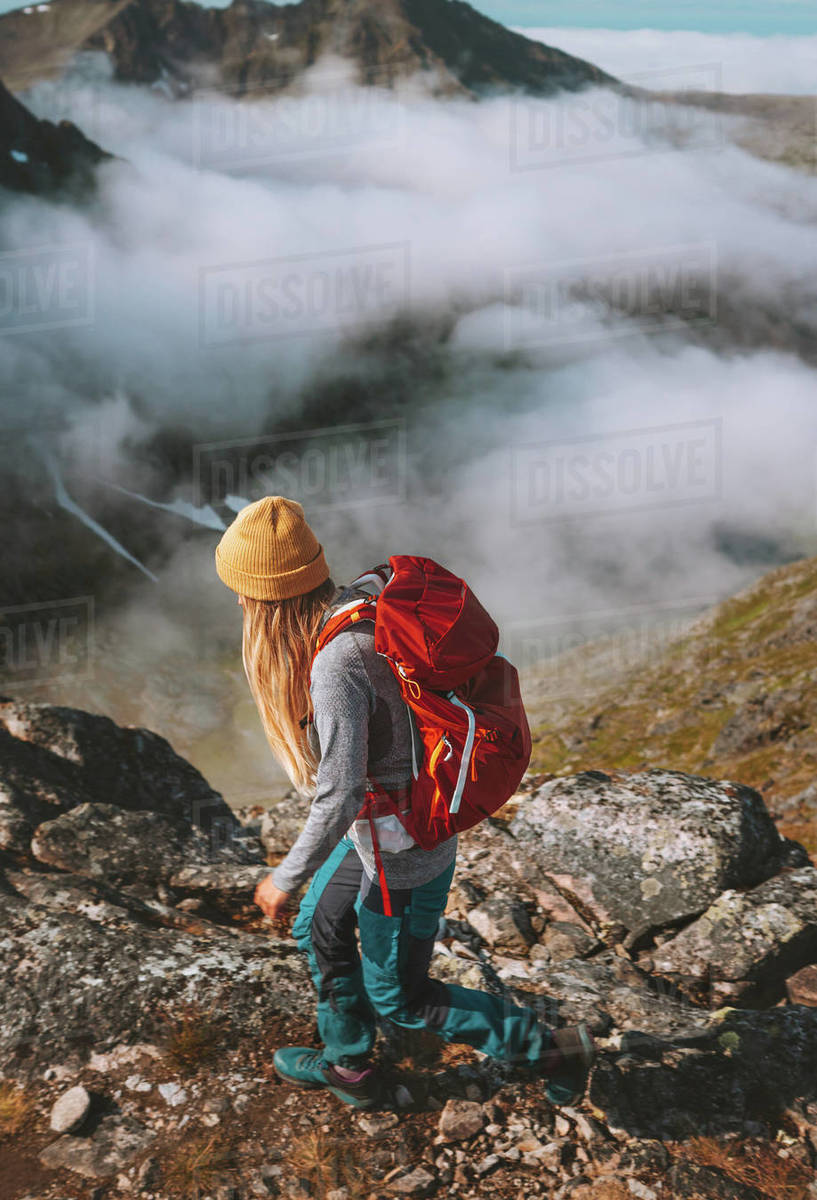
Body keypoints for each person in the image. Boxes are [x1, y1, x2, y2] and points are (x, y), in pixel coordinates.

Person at [214, 495, 595, 1110]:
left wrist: (284, 876)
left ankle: (551, 1048)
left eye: (243, 592)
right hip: (375, 837)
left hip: (403, 858)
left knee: (404, 999)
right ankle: (349, 1066)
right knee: (319, 928)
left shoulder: (337, 664)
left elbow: (338, 794)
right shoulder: (359, 606)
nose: (237, 602)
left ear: (268, 598)